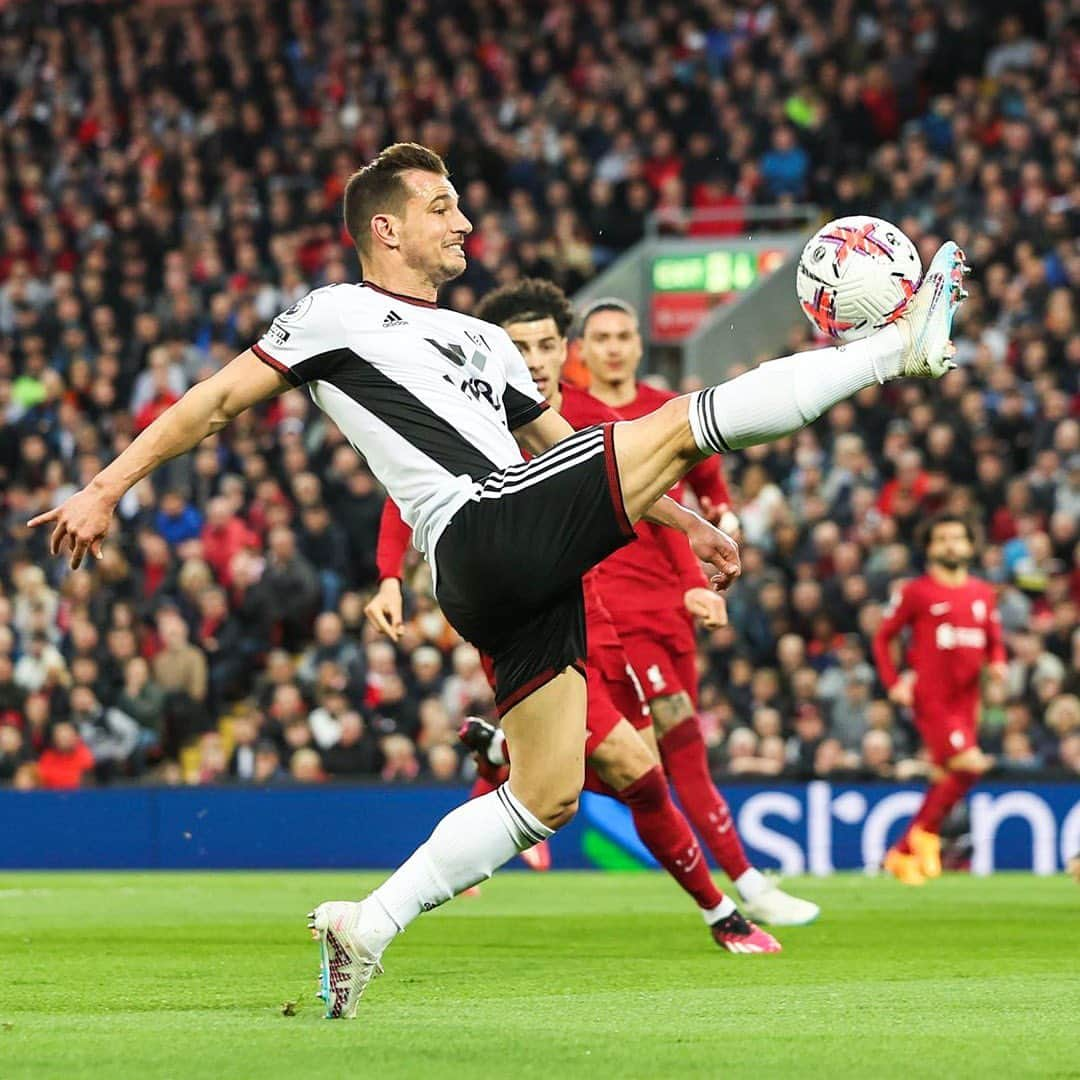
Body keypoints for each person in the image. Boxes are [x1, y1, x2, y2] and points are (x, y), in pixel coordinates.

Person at [29, 143, 967, 1018]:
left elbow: (564, 446)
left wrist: (684, 522)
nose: (465, 224)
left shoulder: (482, 341)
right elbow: (216, 399)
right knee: (683, 421)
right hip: (479, 524)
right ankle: (888, 352)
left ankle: (368, 926)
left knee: (548, 793)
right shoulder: (332, 314)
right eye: (443, 208)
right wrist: (106, 487)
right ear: (385, 230)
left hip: (507, 568)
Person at [370, 277, 816, 928]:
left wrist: (700, 546)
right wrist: (388, 573)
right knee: (649, 761)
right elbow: (407, 489)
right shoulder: (499, 414)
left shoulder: (644, 414)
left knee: (644, 764)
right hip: (556, 616)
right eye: (522, 346)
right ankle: (738, 897)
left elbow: (692, 489)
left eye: (548, 344)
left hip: (642, 612)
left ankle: (506, 757)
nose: (536, 358)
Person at [579, 297, 818, 924]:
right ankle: (750, 887)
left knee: (638, 760)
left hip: (674, 608)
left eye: (622, 335)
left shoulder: (668, 413)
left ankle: (513, 757)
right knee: (674, 755)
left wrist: (711, 561)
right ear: (583, 348)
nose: (611, 347)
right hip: (614, 609)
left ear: (638, 343)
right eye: (599, 337)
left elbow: (716, 498)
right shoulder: (567, 418)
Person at [872, 515, 1006, 885]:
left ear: (970, 545)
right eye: (941, 538)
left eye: (957, 537)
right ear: (929, 548)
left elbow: (994, 639)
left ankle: (900, 854)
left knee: (949, 775)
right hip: (933, 698)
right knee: (970, 765)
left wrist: (998, 664)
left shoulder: (982, 592)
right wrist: (893, 682)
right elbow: (884, 637)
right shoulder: (917, 592)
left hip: (969, 701)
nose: (950, 545)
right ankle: (924, 835)